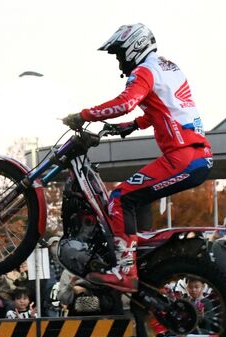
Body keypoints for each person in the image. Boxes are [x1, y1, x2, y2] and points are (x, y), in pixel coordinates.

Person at [62, 23, 212, 293]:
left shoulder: (144, 71)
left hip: (183, 157)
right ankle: (135, 260)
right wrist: (132, 125)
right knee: (131, 198)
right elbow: (166, 108)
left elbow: (125, 102)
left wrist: (84, 115)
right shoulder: (168, 67)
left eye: (120, 54)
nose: (120, 62)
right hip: (196, 154)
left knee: (119, 199)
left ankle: (125, 271)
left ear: (134, 47)